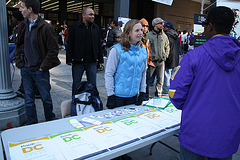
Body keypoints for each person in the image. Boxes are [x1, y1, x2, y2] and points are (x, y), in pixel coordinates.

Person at [169, 6, 240, 160]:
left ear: (210, 27)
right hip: (227, 137)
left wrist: (193, 106)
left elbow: (176, 93)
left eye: (205, 25)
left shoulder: (194, 57)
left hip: (195, 135)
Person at [14, 0, 60, 125]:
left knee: (45, 98)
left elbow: (53, 50)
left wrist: (43, 67)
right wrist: (20, 63)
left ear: (30, 9)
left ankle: (50, 120)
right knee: (28, 99)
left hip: (40, 71)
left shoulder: (45, 27)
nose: (20, 10)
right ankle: (32, 123)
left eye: (22, 7)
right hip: (26, 69)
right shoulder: (23, 25)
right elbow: (19, 46)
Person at [105, 19, 147, 109]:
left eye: (141, 30)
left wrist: (143, 91)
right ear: (128, 33)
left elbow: (143, 73)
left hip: (133, 96)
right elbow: (109, 73)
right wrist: (110, 95)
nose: (140, 33)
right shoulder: (116, 50)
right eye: (137, 30)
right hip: (118, 97)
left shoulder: (143, 50)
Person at [66, 7, 103, 95]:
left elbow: (98, 44)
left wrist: (100, 59)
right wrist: (69, 59)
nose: (92, 16)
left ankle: (93, 102)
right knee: (76, 84)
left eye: (93, 14)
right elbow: (70, 43)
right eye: (90, 14)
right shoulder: (75, 26)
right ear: (83, 15)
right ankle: (75, 104)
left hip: (92, 62)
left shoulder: (95, 27)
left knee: (92, 84)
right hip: (78, 61)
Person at [147, 17, 170, 97]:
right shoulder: (149, 35)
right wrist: (150, 57)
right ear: (155, 25)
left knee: (160, 80)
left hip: (161, 62)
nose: (162, 25)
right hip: (151, 62)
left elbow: (167, 47)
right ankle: (146, 95)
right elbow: (147, 47)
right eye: (161, 23)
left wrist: (165, 56)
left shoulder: (164, 36)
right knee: (148, 79)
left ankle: (158, 95)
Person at [162, 22, 180, 95]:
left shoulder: (167, 36)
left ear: (168, 27)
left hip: (169, 58)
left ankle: (166, 90)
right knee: (173, 76)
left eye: (165, 27)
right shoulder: (176, 35)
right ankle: (172, 89)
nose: (163, 28)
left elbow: (165, 48)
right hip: (176, 58)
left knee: (167, 75)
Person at [139, 18, 155, 100]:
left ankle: (145, 98)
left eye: (147, 26)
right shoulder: (137, 37)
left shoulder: (147, 37)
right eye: (143, 25)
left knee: (146, 84)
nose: (145, 27)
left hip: (147, 64)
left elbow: (148, 50)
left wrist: (150, 61)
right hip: (138, 64)